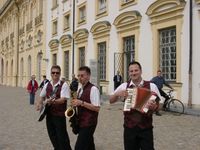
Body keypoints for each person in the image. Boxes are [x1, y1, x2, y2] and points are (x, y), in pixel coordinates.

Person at [109, 61, 161, 150]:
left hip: (146, 128)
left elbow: (160, 105)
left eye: (136, 70)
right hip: (129, 128)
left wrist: (155, 107)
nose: (134, 73)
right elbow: (111, 101)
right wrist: (117, 94)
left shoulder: (152, 86)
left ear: (141, 71)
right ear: (129, 73)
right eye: (131, 71)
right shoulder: (124, 86)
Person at [36, 65, 72, 150]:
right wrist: (39, 104)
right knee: (52, 136)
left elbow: (63, 99)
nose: (55, 74)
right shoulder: (47, 85)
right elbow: (41, 96)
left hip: (59, 116)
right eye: (53, 72)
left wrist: (53, 101)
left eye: (57, 73)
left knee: (62, 137)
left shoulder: (64, 85)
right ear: (51, 74)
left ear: (59, 74)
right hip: (49, 115)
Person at [71, 66, 100, 150]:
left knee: (79, 147)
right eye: (78, 76)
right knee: (89, 145)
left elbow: (97, 108)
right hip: (81, 121)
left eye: (82, 76)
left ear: (88, 76)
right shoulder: (80, 89)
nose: (80, 78)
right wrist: (75, 104)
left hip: (89, 123)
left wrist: (81, 103)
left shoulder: (93, 89)